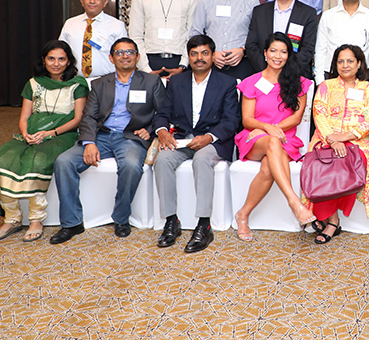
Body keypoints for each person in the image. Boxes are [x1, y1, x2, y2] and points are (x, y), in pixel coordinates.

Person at [50, 38, 165, 244]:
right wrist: (89, 143)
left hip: (131, 137)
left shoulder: (151, 82)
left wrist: (149, 130)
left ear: (137, 57)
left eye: (130, 52)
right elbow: (89, 117)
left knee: (131, 165)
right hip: (101, 136)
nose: (125, 56)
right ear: (111, 58)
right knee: (64, 162)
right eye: (119, 53)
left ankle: (121, 218)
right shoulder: (100, 84)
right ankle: (71, 222)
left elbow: (163, 113)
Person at [152, 35, 241, 253]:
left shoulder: (227, 83)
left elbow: (232, 120)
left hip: (213, 141)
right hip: (183, 138)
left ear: (212, 56)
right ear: (189, 57)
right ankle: (171, 221)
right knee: (162, 159)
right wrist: (162, 131)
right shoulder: (177, 82)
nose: (199, 58)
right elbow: (162, 113)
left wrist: (209, 137)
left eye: (204, 53)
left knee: (201, 160)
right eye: (194, 54)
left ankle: (204, 224)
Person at [0, 40, 88, 242]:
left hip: (62, 135)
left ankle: (36, 219)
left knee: (37, 159)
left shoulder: (77, 85)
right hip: (32, 133)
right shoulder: (33, 83)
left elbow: (78, 119)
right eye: (51, 59)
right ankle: (12, 218)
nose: (56, 63)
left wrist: (51, 133)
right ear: (43, 60)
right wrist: (25, 133)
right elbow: (24, 117)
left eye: (61, 59)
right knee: (4, 158)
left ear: (68, 62)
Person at [232, 32, 315, 242]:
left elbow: (296, 118)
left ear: (289, 55)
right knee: (272, 141)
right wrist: (266, 128)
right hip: (254, 138)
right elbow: (247, 120)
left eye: (283, 52)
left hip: (285, 138)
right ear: (265, 53)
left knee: (269, 165)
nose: (278, 56)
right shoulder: (252, 82)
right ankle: (294, 202)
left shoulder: (299, 82)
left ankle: (243, 214)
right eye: (273, 51)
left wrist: (271, 129)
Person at [307, 45, 369, 244]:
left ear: (359, 63)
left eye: (350, 61)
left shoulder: (368, 88)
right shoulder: (326, 86)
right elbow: (319, 115)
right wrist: (332, 139)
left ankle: (329, 220)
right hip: (325, 138)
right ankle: (332, 219)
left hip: (358, 141)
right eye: (340, 61)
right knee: (324, 161)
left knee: (345, 160)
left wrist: (344, 138)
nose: (345, 65)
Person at [128, 0, 199, 78]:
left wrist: (183, 66)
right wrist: (145, 68)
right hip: (150, 60)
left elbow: (192, 34)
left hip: (179, 60)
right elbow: (135, 34)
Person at [189, 0, 258, 80]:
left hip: (243, 66)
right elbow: (195, 34)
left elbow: (256, 36)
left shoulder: (252, 1)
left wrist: (243, 50)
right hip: (212, 67)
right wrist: (210, 53)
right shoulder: (205, 2)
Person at [245, 0, 318, 80]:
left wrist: (285, 73)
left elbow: (307, 49)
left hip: (295, 77)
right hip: (264, 76)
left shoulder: (308, 13)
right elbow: (251, 46)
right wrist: (268, 71)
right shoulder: (259, 12)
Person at [314, 0, 369, 84]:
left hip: (362, 75)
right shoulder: (328, 16)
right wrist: (320, 81)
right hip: (332, 75)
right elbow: (321, 50)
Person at [59, 0, 128, 78]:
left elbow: (123, 55)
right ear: (82, 1)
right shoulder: (70, 24)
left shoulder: (116, 25)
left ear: (105, 2)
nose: (92, 1)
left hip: (106, 80)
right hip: (75, 80)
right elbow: (60, 52)